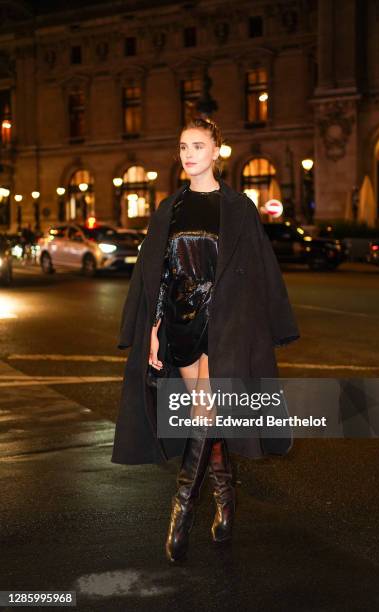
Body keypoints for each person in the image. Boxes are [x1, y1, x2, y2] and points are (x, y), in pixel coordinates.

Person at [111, 117, 300, 563]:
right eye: (183, 147)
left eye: (198, 145)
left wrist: (259, 326)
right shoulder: (169, 209)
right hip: (179, 323)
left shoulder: (237, 208)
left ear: (217, 151)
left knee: (204, 411)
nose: (189, 153)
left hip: (222, 326)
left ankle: (181, 510)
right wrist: (154, 331)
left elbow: (257, 272)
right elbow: (155, 276)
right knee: (208, 418)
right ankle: (226, 496)